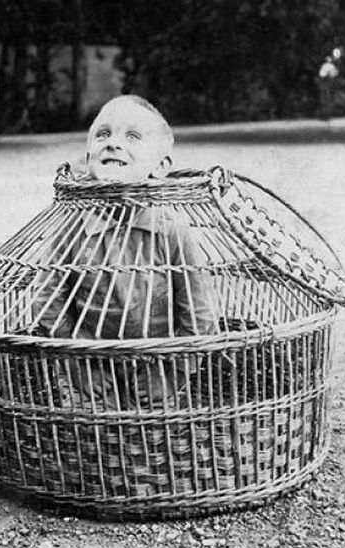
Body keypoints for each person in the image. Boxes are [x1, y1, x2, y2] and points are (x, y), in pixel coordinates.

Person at [30, 95, 219, 410]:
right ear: (88, 157)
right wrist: (76, 362)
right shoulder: (71, 227)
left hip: (158, 362)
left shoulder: (172, 229)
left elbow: (200, 311)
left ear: (161, 166)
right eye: (103, 134)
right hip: (89, 362)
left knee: (158, 432)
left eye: (132, 137)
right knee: (90, 432)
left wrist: (173, 371)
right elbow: (46, 301)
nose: (113, 143)